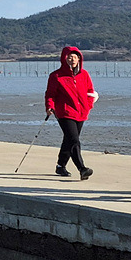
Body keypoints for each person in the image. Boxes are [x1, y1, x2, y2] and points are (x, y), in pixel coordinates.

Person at [44, 46, 99, 180]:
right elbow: (50, 94)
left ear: (79, 59)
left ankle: (60, 165)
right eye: (70, 57)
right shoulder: (56, 76)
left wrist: (88, 105)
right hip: (64, 112)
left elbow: (90, 92)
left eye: (75, 57)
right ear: (64, 58)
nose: (73, 59)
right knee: (74, 139)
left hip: (81, 112)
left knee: (69, 140)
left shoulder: (84, 74)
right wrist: (50, 106)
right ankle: (82, 168)